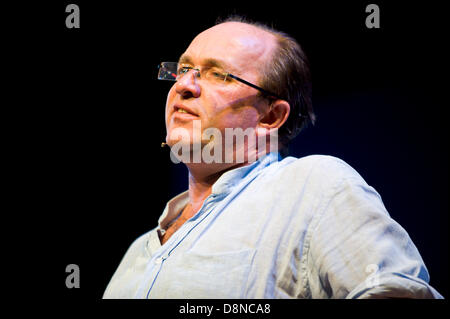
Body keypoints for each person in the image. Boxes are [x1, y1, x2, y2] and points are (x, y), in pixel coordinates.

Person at [103, 16, 443, 299]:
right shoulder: (137, 252)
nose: (184, 86)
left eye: (217, 74)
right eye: (184, 68)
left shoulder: (314, 187)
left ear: (270, 117)